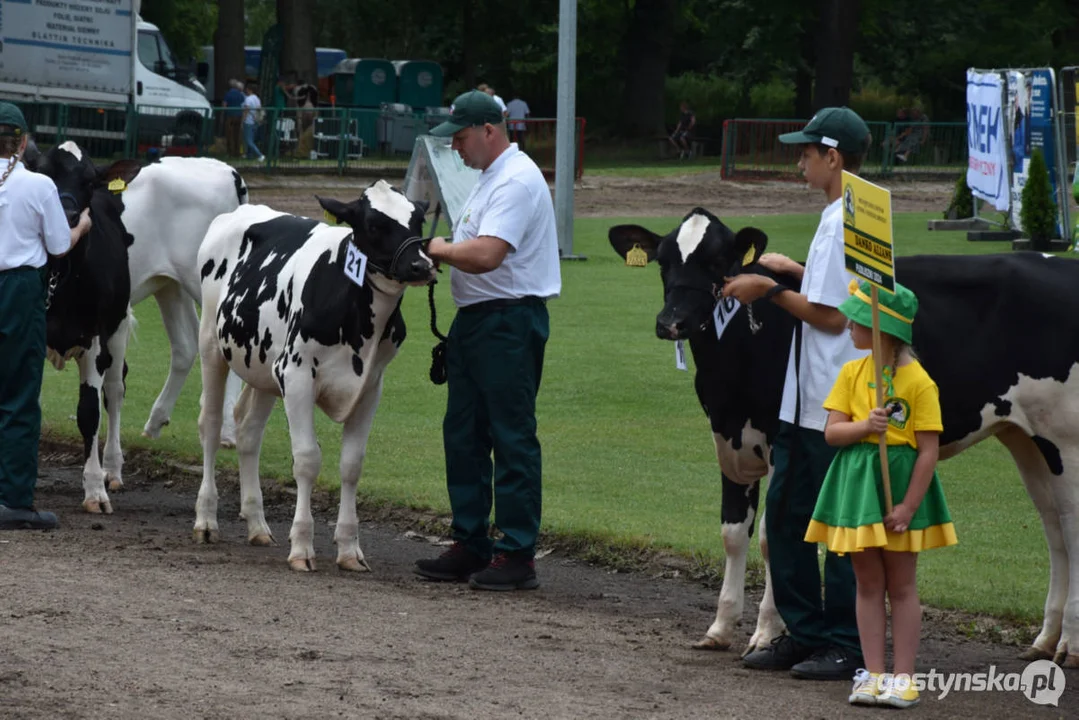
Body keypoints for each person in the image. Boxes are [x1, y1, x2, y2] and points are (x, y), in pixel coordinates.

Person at [721, 107, 871, 680]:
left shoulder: (841, 216)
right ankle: (806, 632)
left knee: (823, 522)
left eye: (807, 152)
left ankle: (841, 643)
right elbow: (843, 291)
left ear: (832, 157)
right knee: (788, 516)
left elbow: (833, 318)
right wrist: (799, 271)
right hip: (816, 396)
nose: (799, 160)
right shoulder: (853, 208)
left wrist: (770, 289)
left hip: (831, 397)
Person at [414, 90, 561, 591]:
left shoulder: (516, 181)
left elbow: (488, 254)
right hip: (478, 320)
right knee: (464, 433)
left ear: (488, 131)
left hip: (509, 320)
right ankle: (471, 541)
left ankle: (518, 552)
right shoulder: (490, 178)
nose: (456, 148)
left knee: (510, 436)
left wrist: (436, 248)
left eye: (460, 137)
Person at [805, 279, 957, 709]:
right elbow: (833, 433)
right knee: (868, 583)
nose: (848, 326)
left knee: (902, 585)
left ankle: (904, 678)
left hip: (899, 496)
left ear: (882, 329)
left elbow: (928, 451)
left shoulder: (920, 383)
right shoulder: (852, 373)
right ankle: (872, 674)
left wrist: (909, 505)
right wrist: (865, 427)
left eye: (857, 320)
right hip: (858, 493)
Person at [0, 103, 91, 530]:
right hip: (18, 289)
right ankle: (15, 500)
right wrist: (84, 226)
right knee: (18, 395)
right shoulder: (37, 186)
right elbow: (58, 246)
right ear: (22, 142)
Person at [241, 82, 265, 162]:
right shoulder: (257, 99)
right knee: (252, 139)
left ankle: (260, 155)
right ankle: (249, 155)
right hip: (255, 121)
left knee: (248, 140)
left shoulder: (248, 99)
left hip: (248, 121)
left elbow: (246, 110)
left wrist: (243, 120)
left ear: (249, 90)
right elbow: (259, 109)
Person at [222, 79, 246, 158]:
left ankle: (230, 153)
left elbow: (224, 105)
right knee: (237, 135)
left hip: (230, 116)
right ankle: (237, 152)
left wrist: (223, 115)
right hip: (239, 116)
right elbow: (243, 105)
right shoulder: (241, 94)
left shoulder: (227, 94)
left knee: (229, 135)